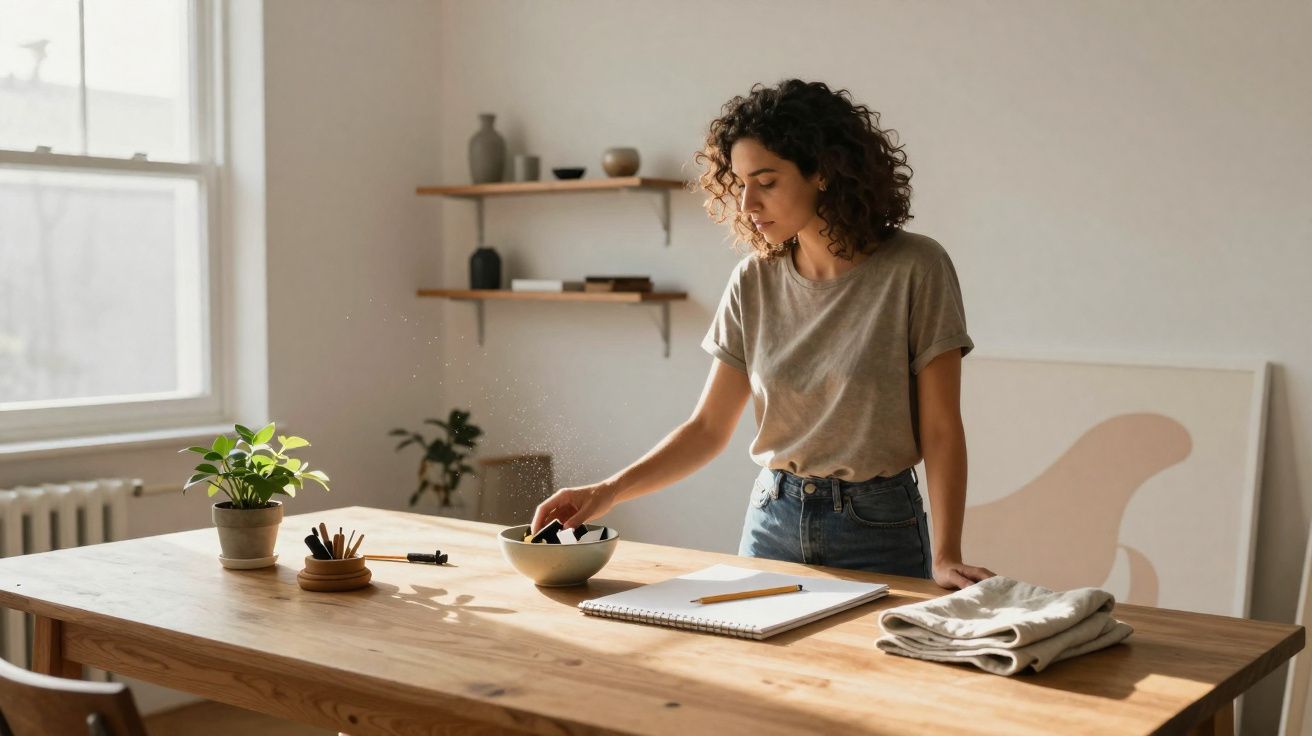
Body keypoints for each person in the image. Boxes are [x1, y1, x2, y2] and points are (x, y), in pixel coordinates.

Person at [531, 79, 994, 590]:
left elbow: (942, 428)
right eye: (741, 181)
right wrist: (607, 491)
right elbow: (707, 429)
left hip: (879, 527)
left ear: (823, 171)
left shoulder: (917, 268)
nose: (748, 202)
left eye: (767, 181)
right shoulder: (753, 280)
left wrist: (948, 554)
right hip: (772, 519)